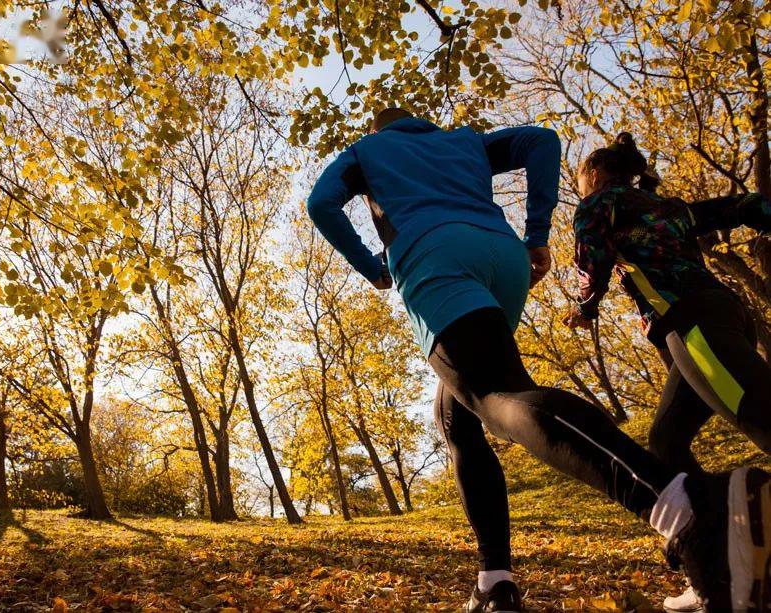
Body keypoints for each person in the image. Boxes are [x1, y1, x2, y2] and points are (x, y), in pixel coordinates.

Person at [305, 107, 771, 613]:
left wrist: (371, 267)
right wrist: (536, 232)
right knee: (457, 414)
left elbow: (321, 203)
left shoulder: (366, 152)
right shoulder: (465, 141)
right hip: (502, 259)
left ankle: (687, 509)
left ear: (379, 129)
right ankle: (495, 580)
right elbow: (542, 142)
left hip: (435, 256)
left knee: (495, 394)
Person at [566, 132, 771, 612]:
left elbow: (591, 261)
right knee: (666, 441)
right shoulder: (668, 206)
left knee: (761, 415)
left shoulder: (599, 204)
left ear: (594, 177)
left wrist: (584, 307)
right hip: (719, 316)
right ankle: (716, 556)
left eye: (580, 185)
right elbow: (742, 206)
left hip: (692, 324)